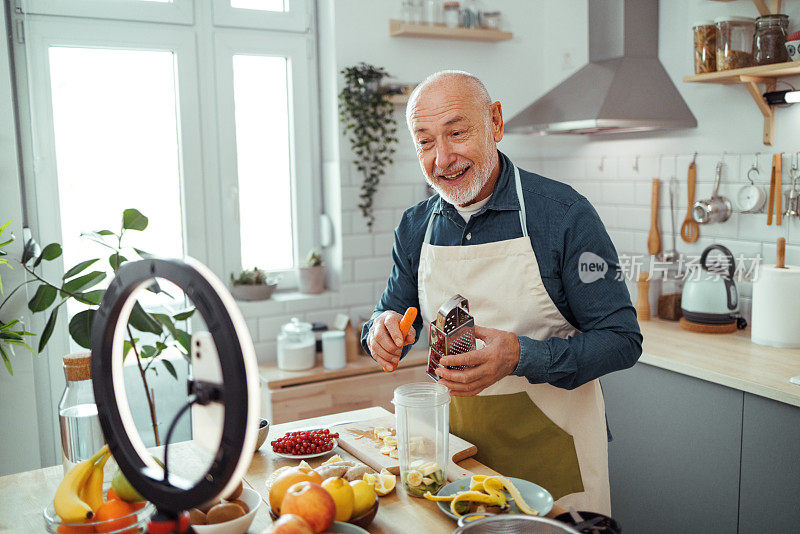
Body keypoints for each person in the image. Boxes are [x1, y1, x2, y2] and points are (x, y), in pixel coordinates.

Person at [360, 70, 641, 514]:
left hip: (556, 457)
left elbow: (622, 340)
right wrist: (379, 329)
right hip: (457, 460)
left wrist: (520, 356)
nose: (443, 158)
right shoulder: (416, 226)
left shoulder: (565, 216)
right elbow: (392, 311)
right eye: (426, 142)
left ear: (495, 122)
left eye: (456, 132)